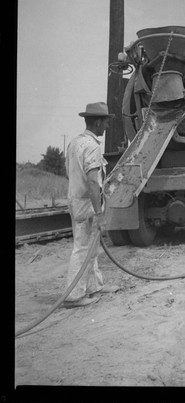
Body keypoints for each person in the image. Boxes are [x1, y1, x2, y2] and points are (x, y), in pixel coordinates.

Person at [63, 102, 119, 308]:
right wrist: (99, 212)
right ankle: (74, 296)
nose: (106, 126)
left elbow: (69, 173)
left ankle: (94, 286)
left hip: (76, 199)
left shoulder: (74, 143)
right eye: (105, 122)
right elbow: (93, 181)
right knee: (83, 247)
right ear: (97, 122)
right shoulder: (92, 146)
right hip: (87, 202)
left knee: (90, 246)